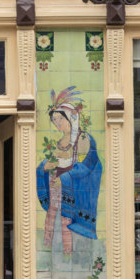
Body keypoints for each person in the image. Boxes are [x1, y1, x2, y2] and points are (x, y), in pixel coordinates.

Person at [37, 87, 102, 255]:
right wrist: (44, 167)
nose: (57, 123)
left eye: (60, 119)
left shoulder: (82, 139)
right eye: (54, 120)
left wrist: (65, 178)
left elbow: (87, 165)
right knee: (51, 219)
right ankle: (46, 251)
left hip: (69, 189)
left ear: (71, 118)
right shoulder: (60, 141)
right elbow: (52, 161)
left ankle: (69, 254)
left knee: (66, 222)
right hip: (55, 188)